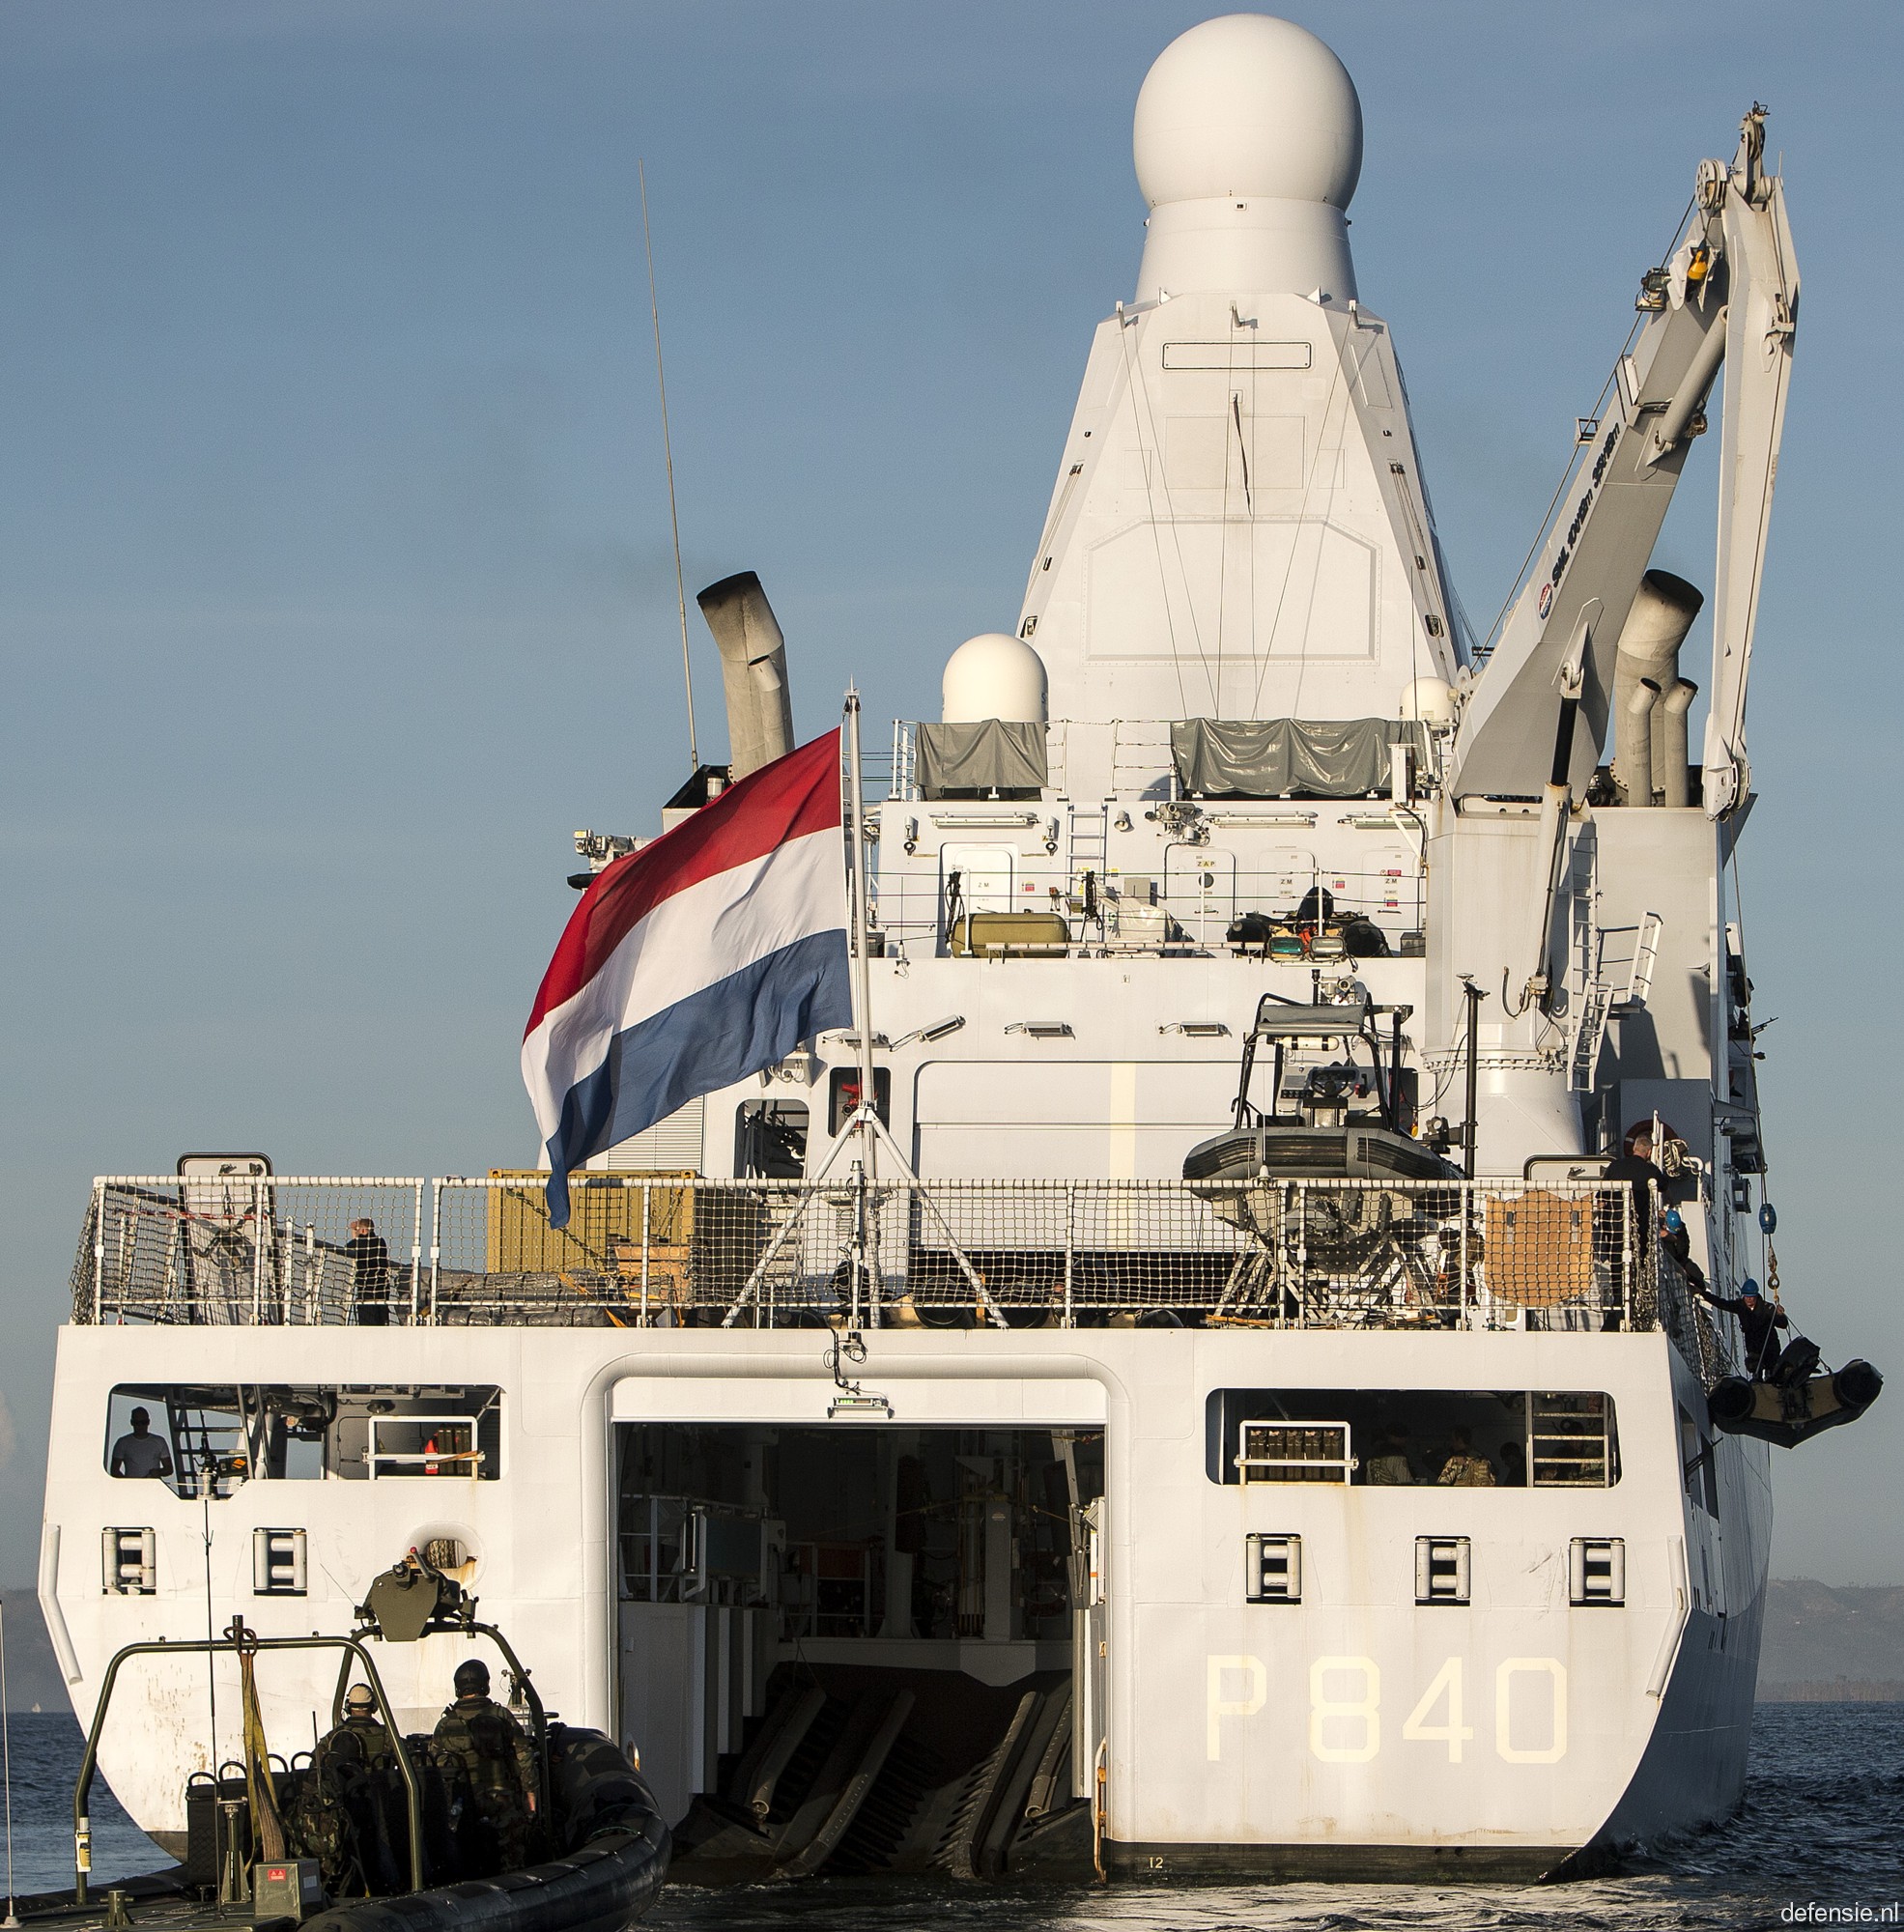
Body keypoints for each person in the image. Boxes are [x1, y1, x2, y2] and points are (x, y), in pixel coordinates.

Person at [434, 1660, 536, 1874]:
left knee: (464, 1855)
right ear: (485, 1685)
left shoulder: (445, 1724)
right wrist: (530, 1793)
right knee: (512, 1861)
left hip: (462, 1801)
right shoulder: (501, 1716)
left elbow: (437, 1765)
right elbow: (524, 1756)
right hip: (502, 1798)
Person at [1696, 1282, 1789, 1379]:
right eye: (1746, 1296)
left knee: (1772, 1374)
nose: (1749, 1299)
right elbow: (1722, 1304)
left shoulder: (1767, 1308)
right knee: (1755, 1370)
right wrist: (1704, 1294)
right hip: (1754, 1347)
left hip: (1769, 1347)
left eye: (1751, 1296)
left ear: (1756, 1296)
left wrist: (1780, 1315)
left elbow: (1782, 1324)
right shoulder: (1740, 1306)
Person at [346, 1218, 393, 1327]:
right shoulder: (381, 1241)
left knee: (367, 1324)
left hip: (366, 1289)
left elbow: (349, 1250)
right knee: (381, 1322)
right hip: (382, 1288)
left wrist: (353, 1232)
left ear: (362, 1231)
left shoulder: (358, 1243)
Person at [109, 1407, 174, 1480]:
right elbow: (114, 1471)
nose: (140, 1426)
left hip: (153, 1488)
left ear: (148, 1422)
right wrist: (128, 1484)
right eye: (137, 1423)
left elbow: (169, 1469)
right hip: (132, 1489)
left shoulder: (159, 1441)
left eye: (144, 1422)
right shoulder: (122, 1443)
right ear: (131, 1423)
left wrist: (158, 1472)